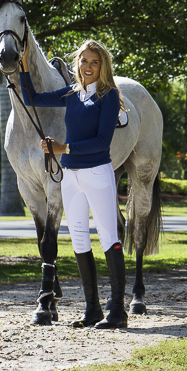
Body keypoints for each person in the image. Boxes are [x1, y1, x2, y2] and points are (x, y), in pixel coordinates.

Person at [19, 39, 128, 330]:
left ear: (102, 65)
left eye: (94, 62)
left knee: (108, 238)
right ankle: (92, 309)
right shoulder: (71, 93)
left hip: (97, 174)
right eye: (84, 61)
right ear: (77, 64)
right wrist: (24, 64)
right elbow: (31, 97)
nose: (88, 67)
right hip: (71, 177)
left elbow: (102, 142)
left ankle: (117, 310)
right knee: (79, 239)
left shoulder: (110, 96)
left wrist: (62, 148)